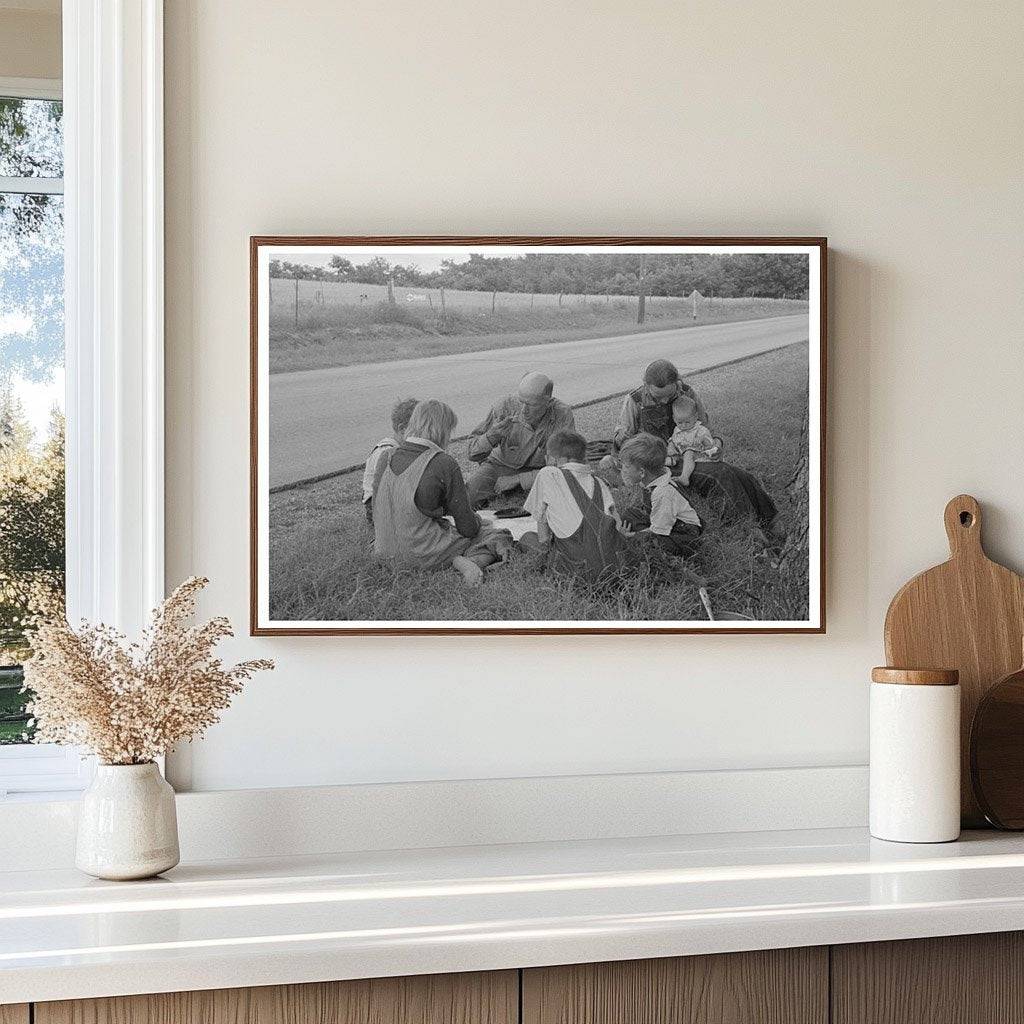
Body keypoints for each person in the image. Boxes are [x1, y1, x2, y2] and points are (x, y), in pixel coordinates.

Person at [372, 399, 512, 586]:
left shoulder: (385, 457)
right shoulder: (443, 462)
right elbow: (468, 528)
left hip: (383, 552)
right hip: (422, 555)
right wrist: (480, 521)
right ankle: (464, 562)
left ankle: (453, 559)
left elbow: (376, 510)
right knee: (499, 535)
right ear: (443, 430)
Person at [520, 430, 630, 580]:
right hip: (616, 568)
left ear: (552, 459)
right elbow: (617, 525)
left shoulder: (548, 473)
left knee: (527, 538)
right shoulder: (599, 483)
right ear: (583, 457)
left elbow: (543, 536)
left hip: (577, 571)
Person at [467, 371, 575, 507]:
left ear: (547, 402)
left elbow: (562, 467)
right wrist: (491, 436)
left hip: (539, 471)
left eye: (531, 404)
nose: (523, 410)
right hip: (499, 465)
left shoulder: (562, 414)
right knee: (468, 498)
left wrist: (519, 479)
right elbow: (472, 453)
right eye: (521, 401)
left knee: (560, 500)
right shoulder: (505, 406)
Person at [618, 433, 703, 557]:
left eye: (626, 467)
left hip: (684, 534)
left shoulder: (663, 494)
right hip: (669, 521)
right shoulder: (653, 479)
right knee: (629, 515)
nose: (623, 470)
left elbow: (658, 531)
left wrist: (634, 536)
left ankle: (668, 558)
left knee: (651, 544)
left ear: (642, 472)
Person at [362, 397, 418, 525]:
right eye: (420, 431)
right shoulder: (386, 451)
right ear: (403, 429)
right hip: (379, 508)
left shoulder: (403, 449)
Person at [667, 394, 721, 486]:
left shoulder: (700, 430)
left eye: (687, 422)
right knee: (668, 454)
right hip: (681, 457)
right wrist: (671, 446)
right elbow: (674, 439)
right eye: (680, 422)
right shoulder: (677, 429)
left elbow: (710, 445)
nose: (684, 426)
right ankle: (670, 462)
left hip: (699, 457)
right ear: (674, 419)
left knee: (688, 452)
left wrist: (702, 441)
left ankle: (684, 478)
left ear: (695, 417)